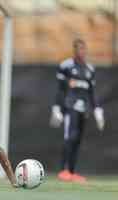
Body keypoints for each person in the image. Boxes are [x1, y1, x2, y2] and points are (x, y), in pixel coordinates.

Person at [50, 39, 105, 183]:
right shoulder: (66, 66)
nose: (81, 52)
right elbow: (61, 90)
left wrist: (97, 110)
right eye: (79, 49)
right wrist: (57, 108)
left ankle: (72, 171)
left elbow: (92, 92)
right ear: (74, 50)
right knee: (69, 137)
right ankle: (63, 170)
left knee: (77, 140)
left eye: (83, 49)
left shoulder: (89, 69)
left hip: (84, 109)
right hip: (70, 107)